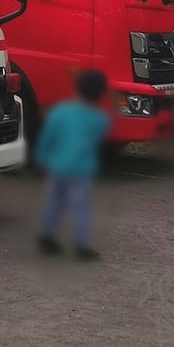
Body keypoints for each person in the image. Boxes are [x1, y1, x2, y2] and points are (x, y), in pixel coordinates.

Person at [34, 69, 112, 260]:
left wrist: (40, 158)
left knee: (54, 202)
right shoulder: (99, 119)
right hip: (81, 170)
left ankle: (46, 236)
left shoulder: (60, 112)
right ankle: (82, 246)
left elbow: (47, 138)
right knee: (81, 207)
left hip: (57, 166)